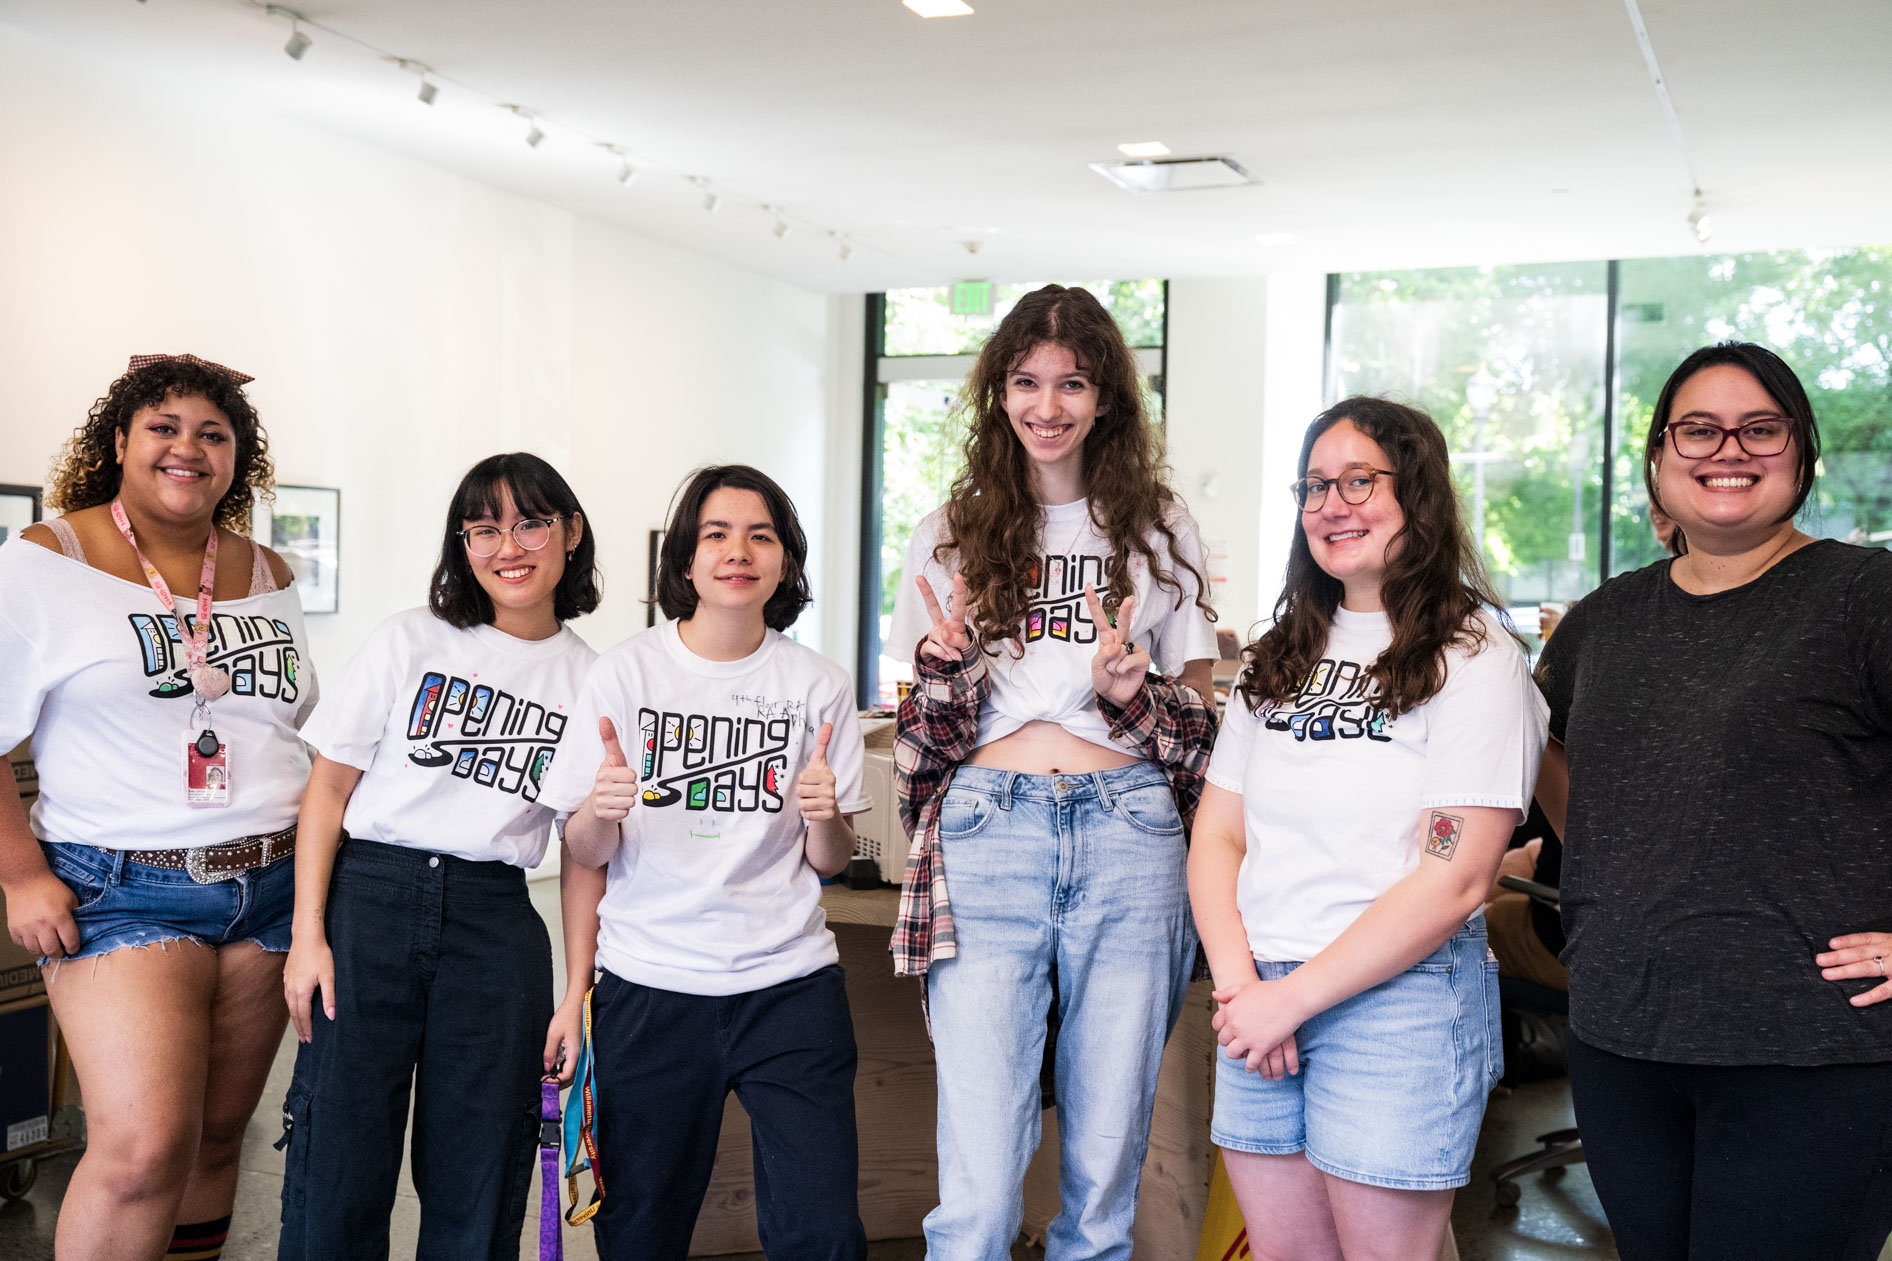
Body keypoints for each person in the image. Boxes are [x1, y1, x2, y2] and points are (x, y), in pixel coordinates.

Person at [1534, 341, 1892, 1259]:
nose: (1726, 448)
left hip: (1813, 1048)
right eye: (1697, 428)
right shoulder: (1603, 620)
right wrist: (1613, 891)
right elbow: (1556, 756)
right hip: (1623, 1037)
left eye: (1760, 428)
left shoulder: (1866, 597)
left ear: (1802, 453)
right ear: (1658, 457)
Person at [885, 284, 1220, 1260]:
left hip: (1129, 828)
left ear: (1105, 396)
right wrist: (942, 670)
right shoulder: (947, 531)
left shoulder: (1155, 526)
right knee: (980, 1192)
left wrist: (1128, 691)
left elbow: (1197, 729)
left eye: (1071, 382)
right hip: (987, 828)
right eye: (1026, 382)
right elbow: (924, 733)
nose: (1047, 405)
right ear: (997, 392)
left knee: (1102, 1181)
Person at [1187, 396, 1548, 1260]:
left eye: (1358, 480)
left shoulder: (1473, 656)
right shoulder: (1280, 654)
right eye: (1313, 485)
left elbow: (1454, 874)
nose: (1330, 504)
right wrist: (1243, 989)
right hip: (1259, 989)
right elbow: (1218, 837)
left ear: (1417, 495)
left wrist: (1291, 1000)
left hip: (1398, 1002)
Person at [0, 354, 314, 1261]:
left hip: (272, 882)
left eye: (212, 433)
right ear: (120, 443)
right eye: (165, 428)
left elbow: (283, 722)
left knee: (218, 1141)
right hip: (123, 885)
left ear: (237, 457)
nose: (188, 448)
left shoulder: (267, 567)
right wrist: (22, 876)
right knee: (142, 1152)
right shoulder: (47, 559)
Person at [538, 464, 870, 1261]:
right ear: (685, 560)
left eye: (761, 535)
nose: (738, 551)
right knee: (640, 1229)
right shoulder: (625, 673)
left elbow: (827, 862)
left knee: (821, 1229)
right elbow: (582, 851)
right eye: (716, 533)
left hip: (788, 983)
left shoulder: (817, 684)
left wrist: (825, 816)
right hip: (652, 986)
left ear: (784, 560)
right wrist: (598, 810)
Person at [274, 453, 599, 1259]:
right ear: (463, 542)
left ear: (571, 532)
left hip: (494, 923)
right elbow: (327, 791)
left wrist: (576, 992)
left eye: (529, 522)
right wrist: (308, 933)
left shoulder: (595, 679)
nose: (508, 545)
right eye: (484, 527)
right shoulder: (411, 638)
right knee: (338, 1160)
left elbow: (582, 850)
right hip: (369, 903)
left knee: (480, 1168)